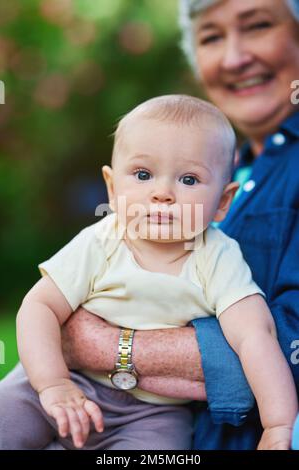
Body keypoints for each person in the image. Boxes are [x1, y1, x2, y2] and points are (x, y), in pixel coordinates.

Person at [58, 0, 299, 450]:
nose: (234, 57)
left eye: (259, 25)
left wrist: (107, 346)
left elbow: (277, 343)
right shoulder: (229, 169)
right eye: (211, 37)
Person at [0, 94, 297, 450]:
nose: (162, 194)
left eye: (188, 179)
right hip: (66, 381)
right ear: (112, 188)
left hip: (152, 412)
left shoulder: (217, 257)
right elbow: (39, 307)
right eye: (143, 175)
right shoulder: (101, 240)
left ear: (222, 202)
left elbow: (256, 338)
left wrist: (278, 425)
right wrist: (52, 385)